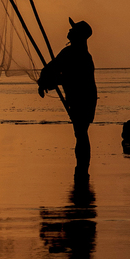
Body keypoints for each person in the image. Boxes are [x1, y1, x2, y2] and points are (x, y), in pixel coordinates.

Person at [37, 18, 97, 170]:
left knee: (81, 132)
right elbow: (54, 70)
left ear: (79, 35)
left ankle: (82, 169)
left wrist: (47, 82)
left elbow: (68, 76)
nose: (69, 30)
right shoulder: (73, 52)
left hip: (83, 98)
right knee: (80, 132)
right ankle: (82, 169)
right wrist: (46, 81)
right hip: (81, 97)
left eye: (73, 29)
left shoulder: (77, 54)